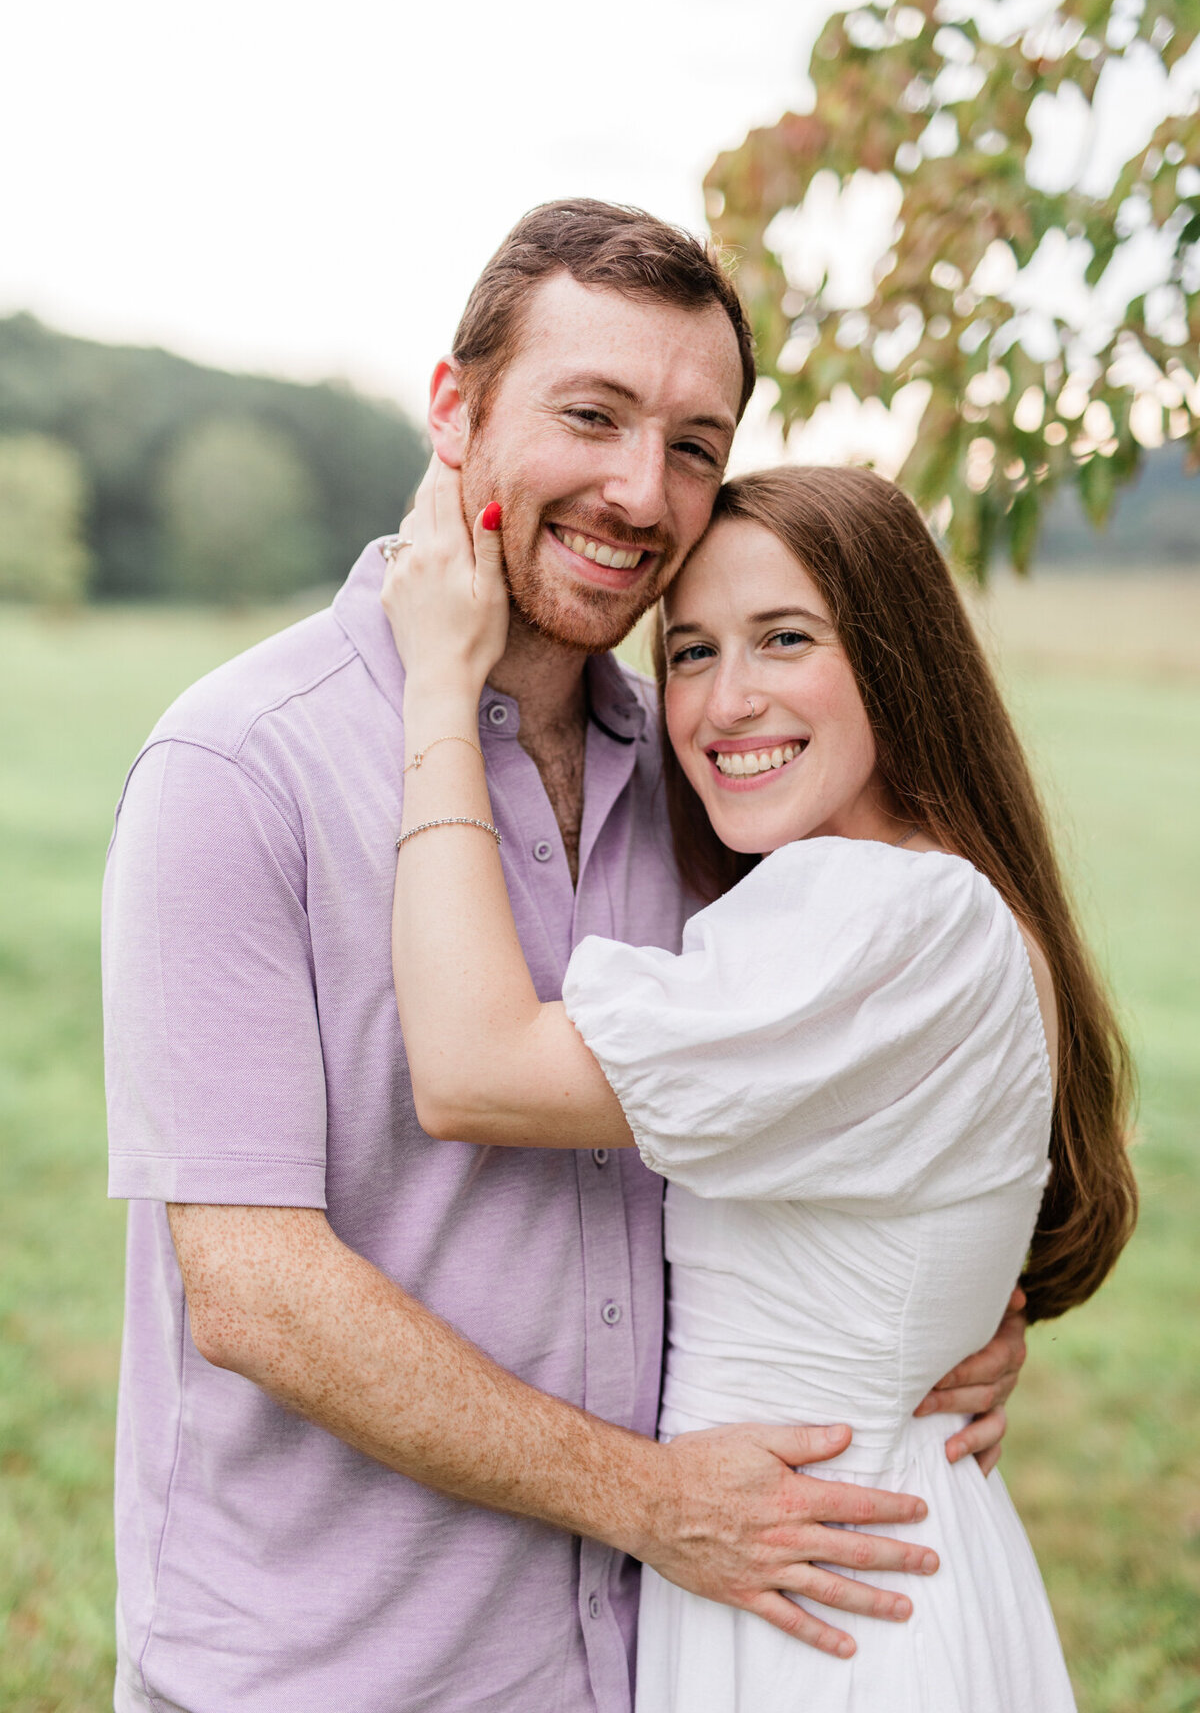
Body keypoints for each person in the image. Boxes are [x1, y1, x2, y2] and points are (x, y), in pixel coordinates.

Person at [103, 201, 1027, 1713]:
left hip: (641, 1661)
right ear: (456, 409)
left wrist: (956, 1310)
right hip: (330, 1674)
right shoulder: (238, 768)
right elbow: (256, 1292)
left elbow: (893, 1049)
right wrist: (647, 1499)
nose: (638, 491)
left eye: (692, 444)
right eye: (591, 415)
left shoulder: (714, 784)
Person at [379, 458, 1137, 1711]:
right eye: (688, 652)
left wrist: (436, 690)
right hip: (842, 1554)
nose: (727, 702)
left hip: (828, 1608)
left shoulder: (882, 910)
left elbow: (472, 1071)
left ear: (897, 656)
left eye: (784, 639)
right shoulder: (932, 894)